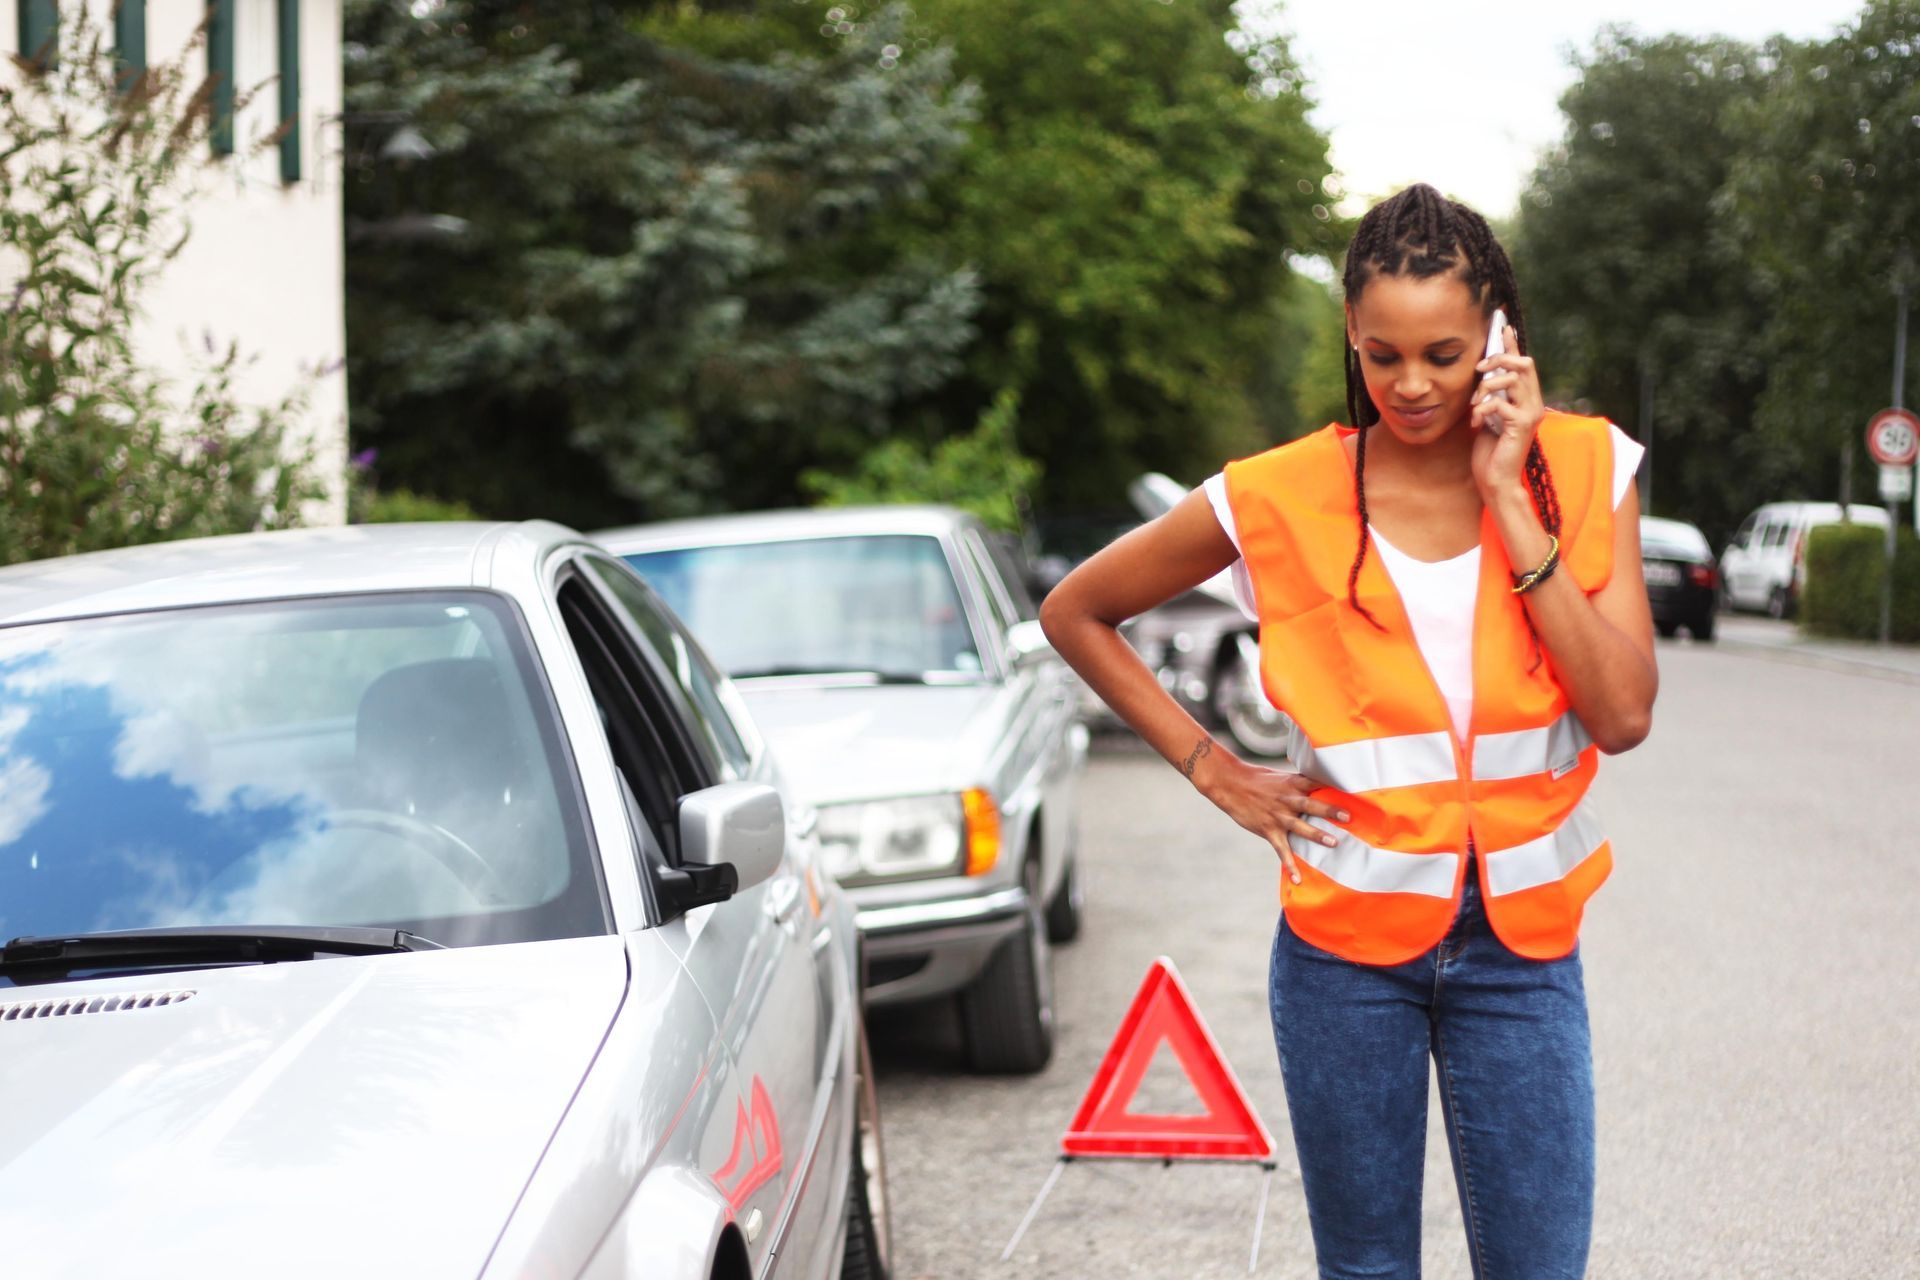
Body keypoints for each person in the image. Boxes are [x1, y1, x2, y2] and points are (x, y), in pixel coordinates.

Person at [1038, 182, 1657, 1279]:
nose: (1411, 385)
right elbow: (1076, 611)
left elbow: (1622, 710)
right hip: (1342, 955)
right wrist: (1214, 766)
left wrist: (1514, 503)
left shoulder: (1589, 465)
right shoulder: (1276, 493)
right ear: (1350, 339)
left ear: (1502, 337)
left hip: (1522, 954)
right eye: (1382, 355)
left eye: (1445, 352)